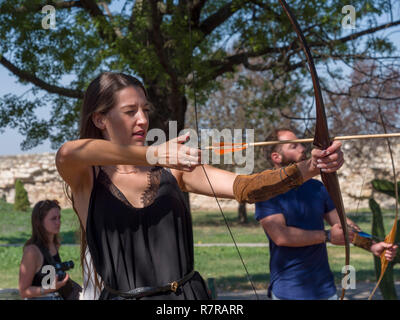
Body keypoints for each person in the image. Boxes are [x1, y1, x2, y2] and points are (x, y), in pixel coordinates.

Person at [55, 72, 345, 300]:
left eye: (144, 109)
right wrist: (152, 153)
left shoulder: (173, 168)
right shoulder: (85, 177)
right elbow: (69, 152)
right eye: (130, 111)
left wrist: (311, 167)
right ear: (99, 118)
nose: (143, 119)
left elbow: (246, 187)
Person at [256, 128, 398, 300]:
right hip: (288, 291)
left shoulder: (316, 188)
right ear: (276, 157)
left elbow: (343, 224)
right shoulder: (267, 191)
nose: (302, 148)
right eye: (293, 146)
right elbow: (281, 236)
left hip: (325, 289)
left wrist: (372, 245)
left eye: (300, 143)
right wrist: (328, 235)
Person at [19, 200, 70, 300]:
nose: (58, 222)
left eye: (59, 218)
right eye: (53, 219)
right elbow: (23, 292)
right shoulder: (32, 252)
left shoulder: (55, 245)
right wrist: (50, 288)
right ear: (40, 222)